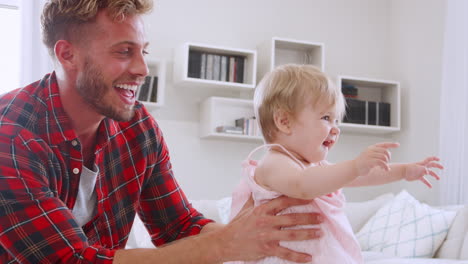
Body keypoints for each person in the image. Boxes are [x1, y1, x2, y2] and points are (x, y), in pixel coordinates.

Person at [0, 1, 324, 263]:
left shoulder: (138, 127)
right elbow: (71, 260)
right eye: (124, 51)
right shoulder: (10, 137)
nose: (142, 69)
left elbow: (178, 225)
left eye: (144, 51)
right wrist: (224, 245)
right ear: (67, 54)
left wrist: (248, 236)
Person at [227, 64, 444, 264]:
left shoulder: (314, 169)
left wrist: (404, 171)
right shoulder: (274, 162)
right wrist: (355, 165)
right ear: (284, 122)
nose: (336, 128)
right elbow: (301, 186)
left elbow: (362, 175)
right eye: (326, 118)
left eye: (337, 120)